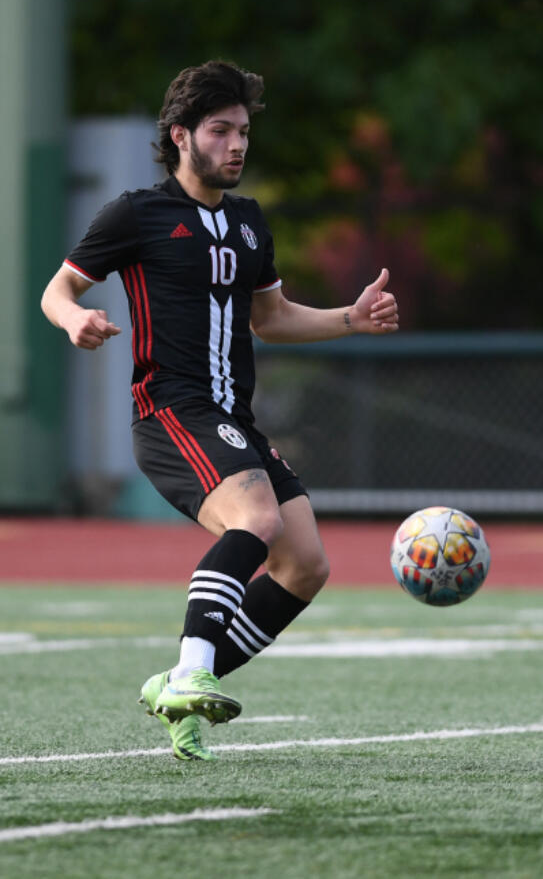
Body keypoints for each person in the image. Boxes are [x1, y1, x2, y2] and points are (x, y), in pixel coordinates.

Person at [41, 61, 399, 761]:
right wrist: (72, 319)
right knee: (258, 522)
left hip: (234, 419)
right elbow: (57, 290)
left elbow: (272, 317)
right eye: (220, 130)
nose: (237, 144)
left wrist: (350, 319)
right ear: (180, 136)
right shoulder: (136, 214)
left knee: (306, 566)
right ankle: (194, 668)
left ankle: (181, 681)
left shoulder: (247, 222)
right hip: (172, 412)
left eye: (242, 131)